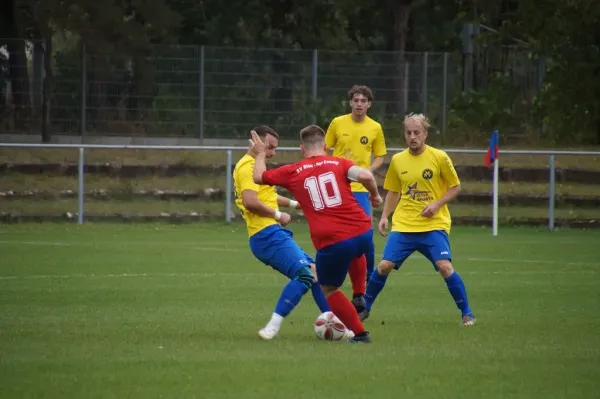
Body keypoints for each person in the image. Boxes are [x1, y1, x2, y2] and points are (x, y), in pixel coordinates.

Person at [249, 125, 384, 343]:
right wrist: (375, 196)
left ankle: (360, 335)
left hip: (332, 240)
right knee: (357, 251)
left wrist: (260, 153)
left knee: (328, 288)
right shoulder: (339, 163)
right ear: (326, 146)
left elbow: (258, 177)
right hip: (362, 230)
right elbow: (367, 176)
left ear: (303, 149)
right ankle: (359, 294)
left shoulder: (293, 171)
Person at [361, 113, 476, 326]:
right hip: (405, 225)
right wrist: (385, 216)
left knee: (444, 267)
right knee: (384, 265)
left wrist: (436, 204)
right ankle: (364, 308)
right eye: (408, 133)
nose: (412, 136)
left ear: (425, 134)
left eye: (416, 132)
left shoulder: (439, 157)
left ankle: (466, 313)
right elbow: (394, 191)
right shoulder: (398, 160)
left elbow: (455, 187)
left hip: (434, 224)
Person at [233, 125, 336, 340]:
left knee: (315, 272)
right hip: (265, 235)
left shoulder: (256, 167)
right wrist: (279, 216)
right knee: (306, 274)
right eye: (269, 147)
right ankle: (272, 326)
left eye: (274, 148)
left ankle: (335, 323)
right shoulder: (247, 167)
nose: (272, 152)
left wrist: (293, 204)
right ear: (256, 143)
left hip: (270, 233)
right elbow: (251, 201)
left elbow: (265, 195)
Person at [325, 85, 387, 315]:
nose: (359, 103)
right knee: (334, 233)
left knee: (363, 236)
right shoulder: (337, 123)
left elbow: (380, 156)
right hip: (337, 187)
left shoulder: (375, 127)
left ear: (369, 104)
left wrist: (368, 171)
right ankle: (334, 275)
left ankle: (366, 281)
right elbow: (324, 148)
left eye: (364, 100)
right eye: (356, 100)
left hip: (360, 188)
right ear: (350, 103)